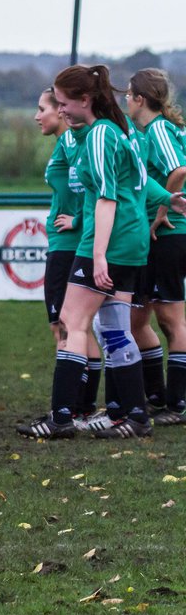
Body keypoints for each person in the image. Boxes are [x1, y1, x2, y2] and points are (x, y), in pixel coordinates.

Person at [17, 64, 186, 440]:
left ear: (85, 100)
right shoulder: (120, 130)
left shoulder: (98, 135)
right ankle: (136, 416)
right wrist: (170, 199)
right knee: (114, 328)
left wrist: (96, 257)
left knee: (71, 322)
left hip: (109, 242)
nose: (60, 110)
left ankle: (62, 417)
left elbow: (108, 198)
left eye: (63, 103)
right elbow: (139, 182)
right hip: (132, 242)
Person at [35, 88, 104, 425]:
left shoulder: (83, 142)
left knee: (66, 326)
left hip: (70, 244)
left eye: (44, 108)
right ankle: (79, 405)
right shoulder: (67, 144)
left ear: (62, 112)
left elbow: (94, 188)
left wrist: (78, 218)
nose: (38, 116)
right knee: (73, 326)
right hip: (62, 242)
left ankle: (75, 407)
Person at [125, 68, 186, 424]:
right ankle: (156, 396)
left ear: (140, 99)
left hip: (171, 232)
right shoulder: (147, 130)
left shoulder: (159, 128)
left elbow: (179, 169)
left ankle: (176, 404)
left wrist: (162, 208)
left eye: (128, 93)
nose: (124, 99)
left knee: (170, 318)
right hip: (156, 235)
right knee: (138, 319)